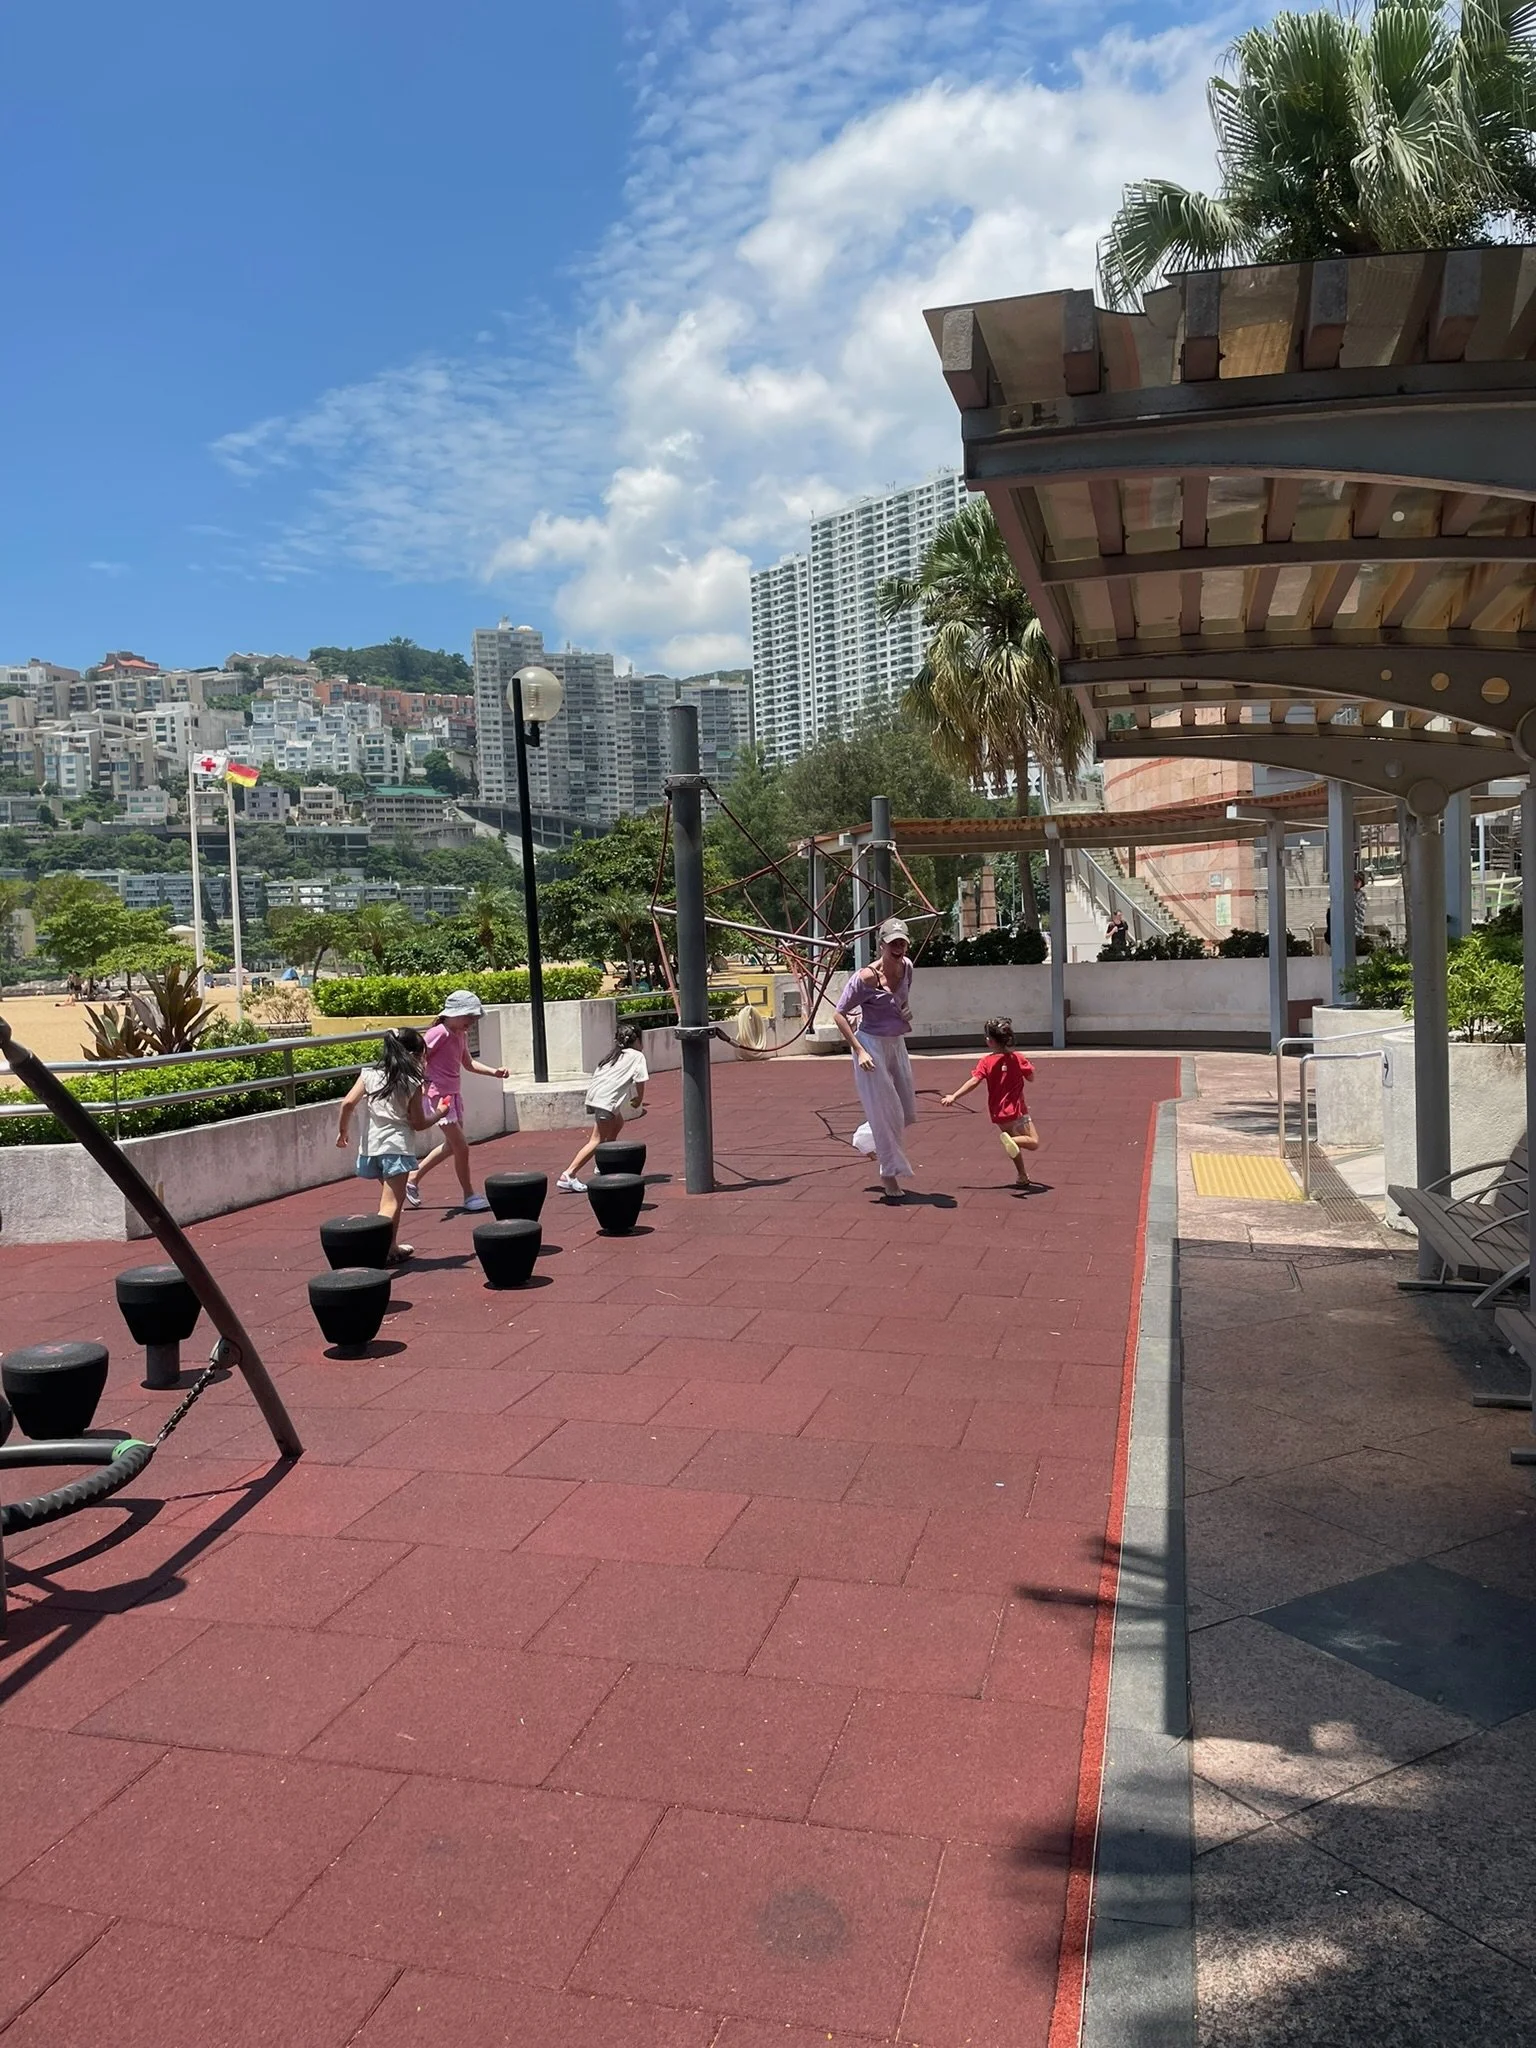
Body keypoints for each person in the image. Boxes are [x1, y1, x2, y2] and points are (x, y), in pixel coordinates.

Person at [335, 1028, 440, 1261]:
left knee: (395, 1198)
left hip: (371, 1148)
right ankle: (375, 1251)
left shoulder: (369, 1075)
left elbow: (348, 1103)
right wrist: (440, 1112)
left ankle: (390, 1247)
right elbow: (419, 1123)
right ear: (413, 1055)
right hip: (396, 1148)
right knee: (391, 1204)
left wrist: (343, 1131)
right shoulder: (412, 1082)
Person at [834, 915, 918, 1201]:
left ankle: (864, 1139)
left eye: (902, 943)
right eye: (893, 943)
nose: (898, 948)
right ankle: (889, 1174)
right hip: (870, 1045)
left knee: (906, 1111)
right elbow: (839, 1013)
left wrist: (906, 1011)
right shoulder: (866, 977)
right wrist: (859, 1050)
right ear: (881, 944)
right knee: (886, 1111)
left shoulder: (907, 968)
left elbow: (902, 1001)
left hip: (896, 1043)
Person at [403, 990, 510, 1212]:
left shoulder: (458, 1035)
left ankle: (412, 1179)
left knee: (452, 1146)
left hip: (452, 1095)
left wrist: (494, 1072)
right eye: (469, 1016)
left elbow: (468, 1064)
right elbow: (418, 1057)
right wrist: (421, 1086)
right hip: (438, 1096)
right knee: (461, 1147)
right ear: (454, 1014)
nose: (471, 1022)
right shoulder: (438, 1033)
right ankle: (469, 1194)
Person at [940, 1015, 1042, 1191]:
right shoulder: (1017, 1058)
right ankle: (1015, 1142)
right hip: (1018, 1110)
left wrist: (954, 1096)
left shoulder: (986, 1061)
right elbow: (1031, 1077)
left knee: (1012, 1145)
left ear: (990, 1041)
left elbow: (974, 1081)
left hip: (999, 1113)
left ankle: (1022, 1175)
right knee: (1033, 1142)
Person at [557, 1021, 648, 1192]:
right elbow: (640, 1079)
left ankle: (604, 1162)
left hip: (596, 1098)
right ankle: (569, 1174)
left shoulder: (613, 1056)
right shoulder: (637, 1056)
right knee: (596, 1140)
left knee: (618, 1123)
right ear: (636, 1041)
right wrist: (639, 1098)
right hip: (606, 1101)